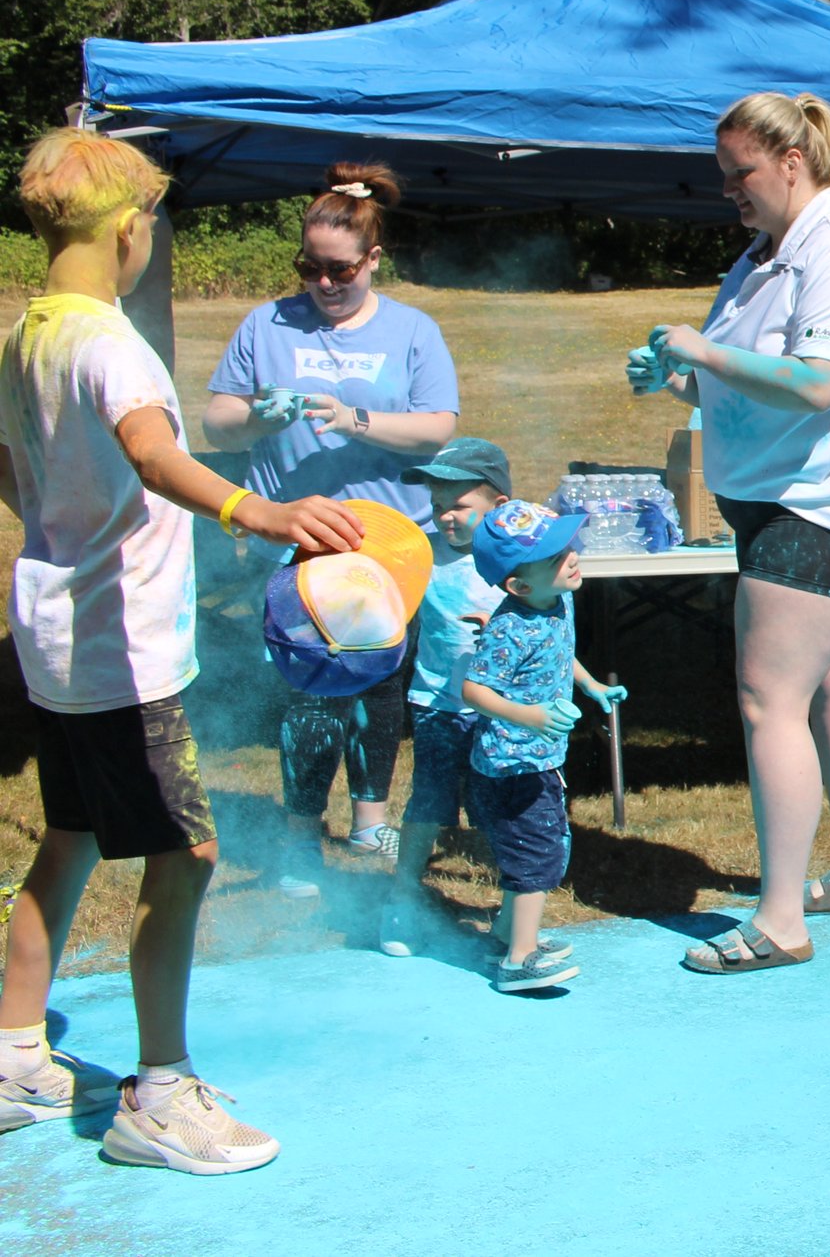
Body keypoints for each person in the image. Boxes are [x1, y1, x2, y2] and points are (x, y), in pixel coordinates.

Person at [0, 128, 362, 1172]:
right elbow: (154, 453)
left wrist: (60, 523)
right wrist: (263, 510)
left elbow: (21, 460)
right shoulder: (112, 344)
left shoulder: (27, 333)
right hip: (122, 646)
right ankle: (157, 1094)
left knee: (68, 835)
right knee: (187, 850)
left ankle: (19, 1051)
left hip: (54, 630)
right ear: (129, 231)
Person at [634, 91, 830, 973]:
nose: (730, 191)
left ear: (793, 162)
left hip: (828, 501)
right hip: (775, 498)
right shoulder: (762, 258)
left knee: (768, 699)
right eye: (723, 178)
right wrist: (680, 377)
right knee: (829, 684)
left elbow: (817, 384)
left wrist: (706, 352)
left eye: (741, 174)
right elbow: (753, 381)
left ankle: (781, 919)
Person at [202, 163, 460, 896]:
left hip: (388, 541)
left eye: (339, 269)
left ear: (374, 259)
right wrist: (260, 415)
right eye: (309, 267)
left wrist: (355, 420)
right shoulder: (267, 323)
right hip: (296, 535)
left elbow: (439, 428)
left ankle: (370, 824)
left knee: (379, 681)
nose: (322, 282)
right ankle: (298, 834)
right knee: (311, 685)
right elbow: (216, 424)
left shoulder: (412, 329)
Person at [460, 501, 625, 994]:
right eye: (556, 555)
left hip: (536, 759)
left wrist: (592, 685)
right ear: (519, 586)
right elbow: (474, 690)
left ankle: (508, 933)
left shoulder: (557, 600)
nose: (572, 556)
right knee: (535, 858)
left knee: (531, 852)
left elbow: (561, 652)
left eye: (567, 545)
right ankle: (520, 960)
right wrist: (531, 716)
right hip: (512, 766)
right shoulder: (509, 628)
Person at [378, 437, 513, 959]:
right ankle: (402, 898)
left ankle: (513, 910)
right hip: (438, 703)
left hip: (502, 709)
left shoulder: (521, 561)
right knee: (427, 802)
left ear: (499, 507)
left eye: (458, 506)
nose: (445, 518)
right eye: (437, 507)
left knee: (504, 808)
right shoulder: (421, 559)